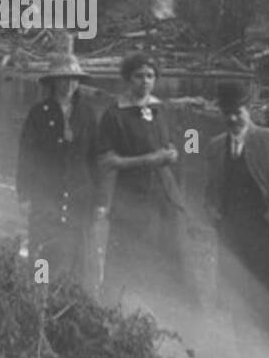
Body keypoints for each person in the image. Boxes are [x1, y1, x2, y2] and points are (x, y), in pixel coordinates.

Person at [95, 52, 193, 313]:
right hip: (131, 198)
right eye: (139, 76)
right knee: (126, 259)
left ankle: (165, 316)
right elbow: (106, 161)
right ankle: (117, 313)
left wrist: (173, 152)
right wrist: (150, 159)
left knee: (167, 258)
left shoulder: (161, 110)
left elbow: (171, 143)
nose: (145, 82)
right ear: (127, 79)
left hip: (164, 199)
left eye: (150, 76)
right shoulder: (115, 114)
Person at [204, 80, 269, 344]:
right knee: (236, 299)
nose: (232, 118)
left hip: (267, 237)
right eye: (226, 112)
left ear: (249, 109)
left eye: (237, 112)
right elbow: (210, 189)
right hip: (231, 236)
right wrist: (212, 213)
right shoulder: (215, 146)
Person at [16, 41, 100, 289]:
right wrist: (24, 194)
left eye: (74, 79)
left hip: (79, 197)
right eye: (63, 79)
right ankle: (39, 296)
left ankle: (72, 303)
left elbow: (94, 158)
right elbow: (26, 156)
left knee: (77, 255)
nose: (69, 84)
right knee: (43, 251)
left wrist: (99, 200)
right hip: (46, 194)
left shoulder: (87, 114)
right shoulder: (39, 113)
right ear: (53, 82)